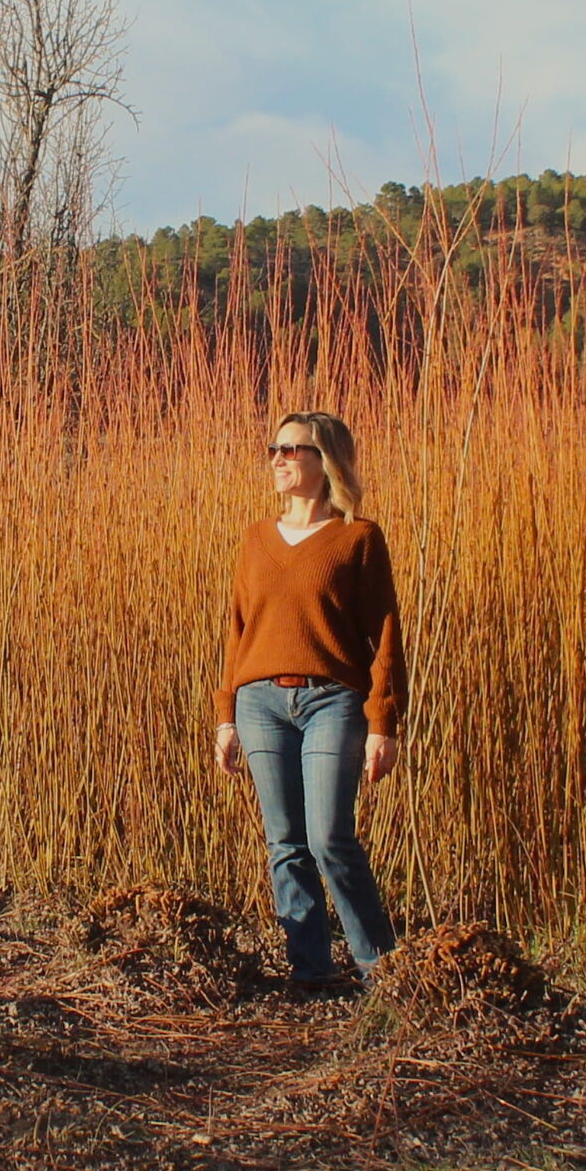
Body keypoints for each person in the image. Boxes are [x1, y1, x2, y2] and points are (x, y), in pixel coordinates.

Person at [212, 410, 408, 991]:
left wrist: (383, 722)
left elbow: (386, 635)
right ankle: (311, 975)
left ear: (326, 461)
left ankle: (385, 974)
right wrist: (227, 715)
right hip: (260, 703)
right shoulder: (255, 539)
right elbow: (238, 629)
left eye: (292, 450)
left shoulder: (359, 537)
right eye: (274, 448)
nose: (277, 458)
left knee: (329, 838)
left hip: (334, 703)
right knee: (286, 844)